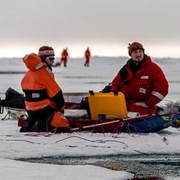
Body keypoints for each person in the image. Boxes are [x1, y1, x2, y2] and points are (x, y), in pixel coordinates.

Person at [20, 46, 70, 133]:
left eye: (54, 58)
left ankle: (35, 124)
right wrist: (61, 109)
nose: (53, 60)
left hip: (30, 110)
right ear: (43, 58)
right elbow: (57, 95)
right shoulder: (44, 72)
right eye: (51, 58)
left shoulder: (30, 72)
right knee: (64, 126)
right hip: (44, 110)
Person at [111, 42, 169, 115]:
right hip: (124, 107)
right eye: (135, 52)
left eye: (140, 52)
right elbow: (115, 84)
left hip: (144, 110)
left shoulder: (153, 68)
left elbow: (162, 88)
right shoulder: (125, 69)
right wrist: (115, 96)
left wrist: (147, 103)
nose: (138, 54)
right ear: (131, 55)